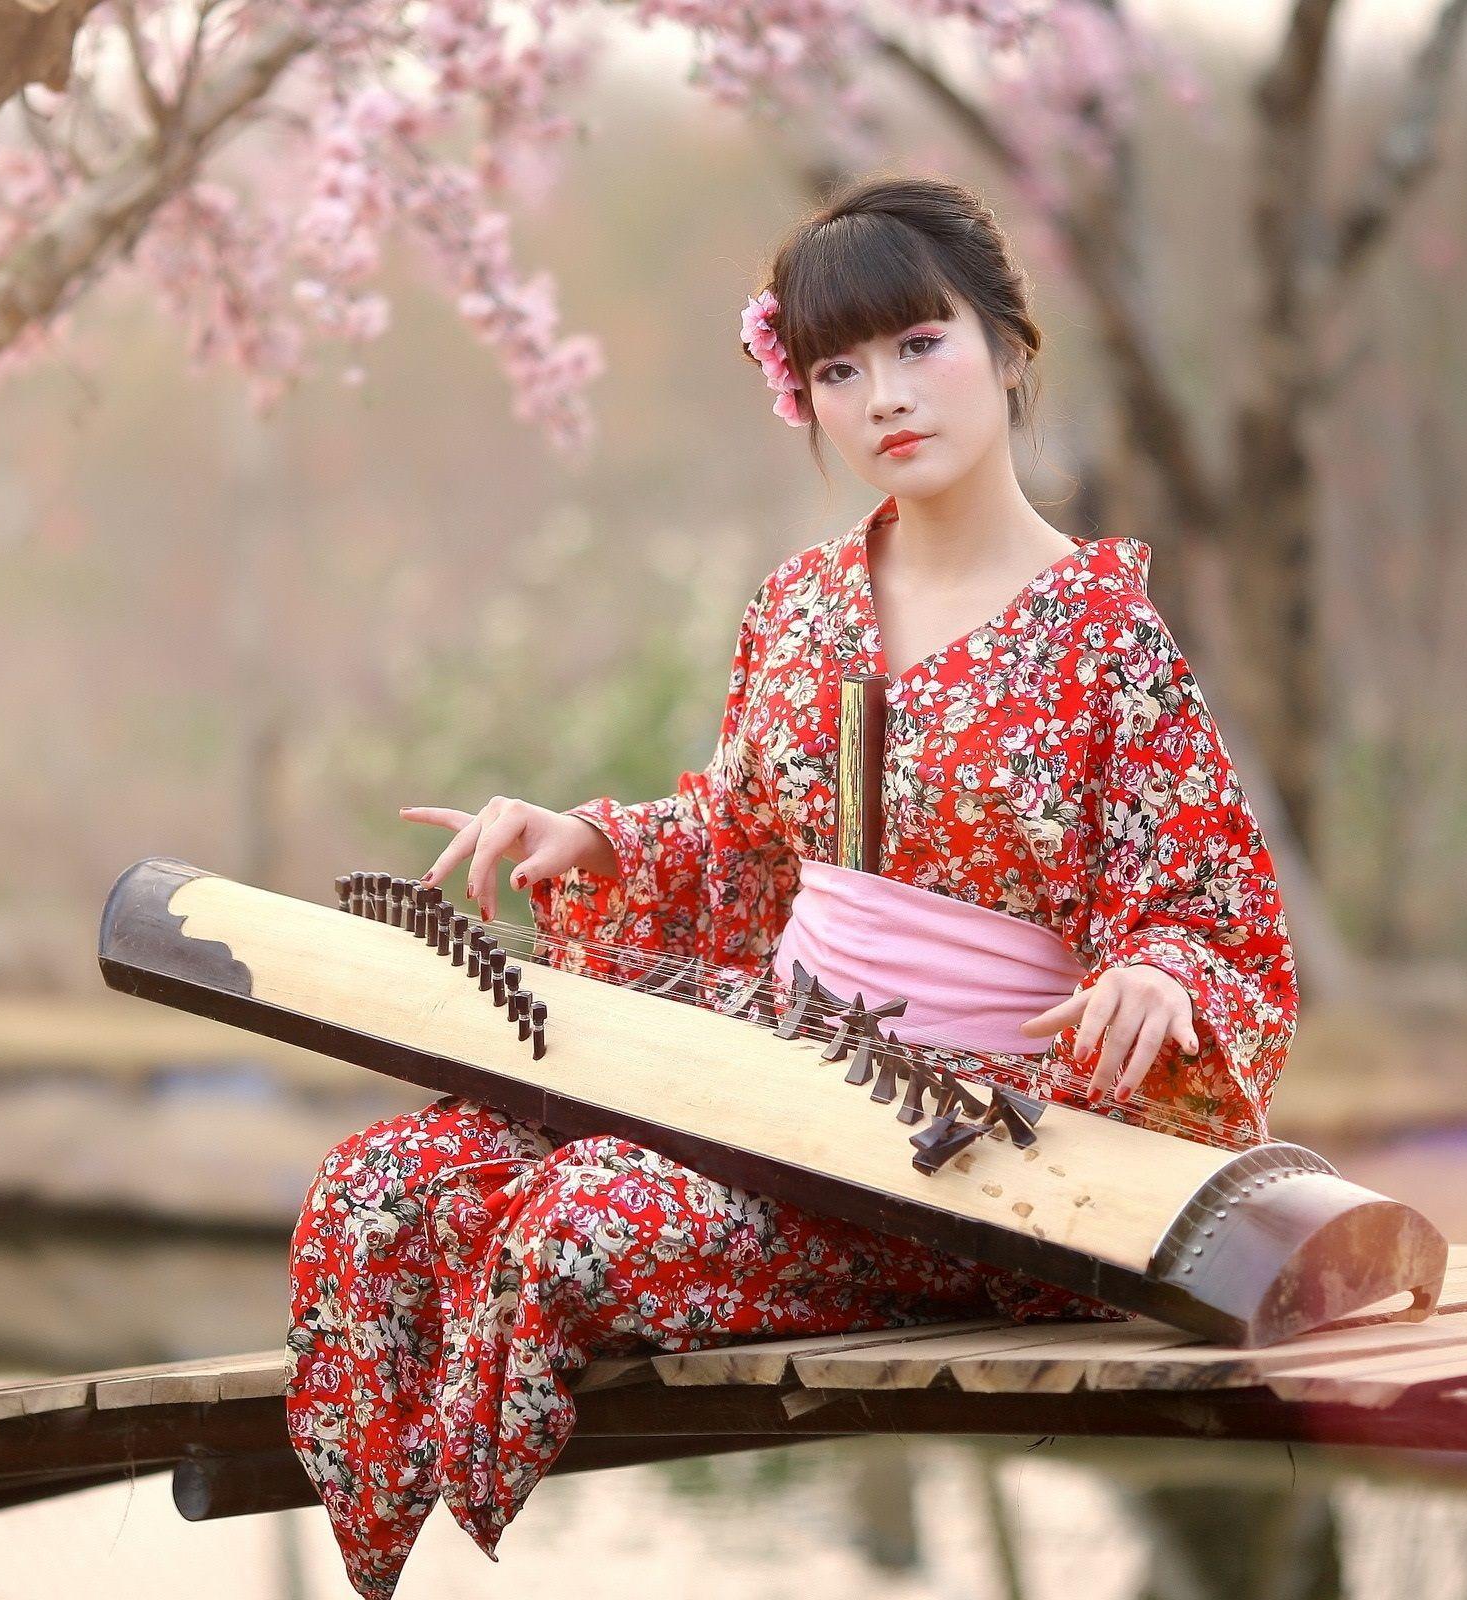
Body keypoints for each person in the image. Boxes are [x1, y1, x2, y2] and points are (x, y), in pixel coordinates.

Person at [283, 173, 1298, 1599]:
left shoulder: (1103, 640)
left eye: (918, 345)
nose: (884, 395)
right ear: (803, 397)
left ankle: (469, 1505)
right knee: (384, 1186)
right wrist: (601, 844)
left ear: (1008, 346)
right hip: (771, 1074)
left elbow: (1208, 908)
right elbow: (741, 844)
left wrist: (1155, 974)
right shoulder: (801, 607)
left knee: (583, 1220)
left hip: (963, 1144)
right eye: (838, 368)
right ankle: (372, 1573)